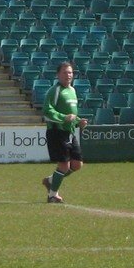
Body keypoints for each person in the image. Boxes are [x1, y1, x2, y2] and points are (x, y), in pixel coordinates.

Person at [41, 61, 87, 203]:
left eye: (70, 72)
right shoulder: (54, 90)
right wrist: (63, 118)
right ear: (58, 74)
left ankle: (50, 181)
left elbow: (71, 113)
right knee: (64, 165)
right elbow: (47, 112)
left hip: (70, 132)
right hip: (57, 132)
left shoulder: (72, 90)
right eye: (65, 72)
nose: (68, 75)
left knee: (77, 165)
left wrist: (79, 121)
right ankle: (52, 195)